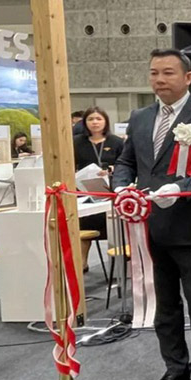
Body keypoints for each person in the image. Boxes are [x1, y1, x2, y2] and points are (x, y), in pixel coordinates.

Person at [113, 49, 191, 380]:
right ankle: (174, 369)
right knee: (164, 308)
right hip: (150, 230)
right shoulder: (139, 117)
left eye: (168, 73)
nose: (160, 80)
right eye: (154, 73)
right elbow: (126, 162)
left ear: (188, 77)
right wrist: (121, 186)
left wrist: (181, 188)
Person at [73, 106, 125, 272]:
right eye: (90, 119)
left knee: (113, 226)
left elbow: (125, 164)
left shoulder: (116, 142)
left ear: (105, 121)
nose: (95, 122)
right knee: (83, 226)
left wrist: (111, 169)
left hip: (110, 189)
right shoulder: (76, 142)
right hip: (84, 190)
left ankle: (119, 267)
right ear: (85, 122)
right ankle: (82, 263)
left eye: (98, 119)